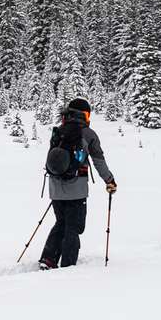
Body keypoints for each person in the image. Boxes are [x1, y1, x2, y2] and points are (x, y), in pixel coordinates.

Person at [39, 98, 116, 269]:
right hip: (77, 189)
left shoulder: (59, 131)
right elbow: (99, 161)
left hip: (55, 187)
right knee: (73, 227)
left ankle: (48, 258)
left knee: (61, 222)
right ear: (85, 115)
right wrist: (109, 180)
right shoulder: (88, 134)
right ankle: (68, 266)